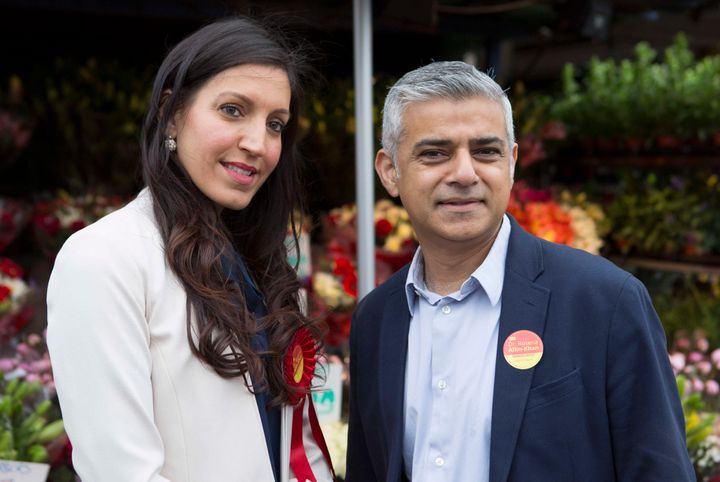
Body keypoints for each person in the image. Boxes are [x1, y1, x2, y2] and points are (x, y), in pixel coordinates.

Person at [346, 60, 694, 482]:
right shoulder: (375, 319)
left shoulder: (604, 302)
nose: (464, 173)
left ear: (511, 162)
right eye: (434, 153)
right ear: (389, 172)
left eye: (485, 151)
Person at [47, 17, 334, 482]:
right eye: (233, 110)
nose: (258, 143)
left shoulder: (261, 265)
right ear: (172, 113)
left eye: (276, 124)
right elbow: (121, 472)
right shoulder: (103, 258)